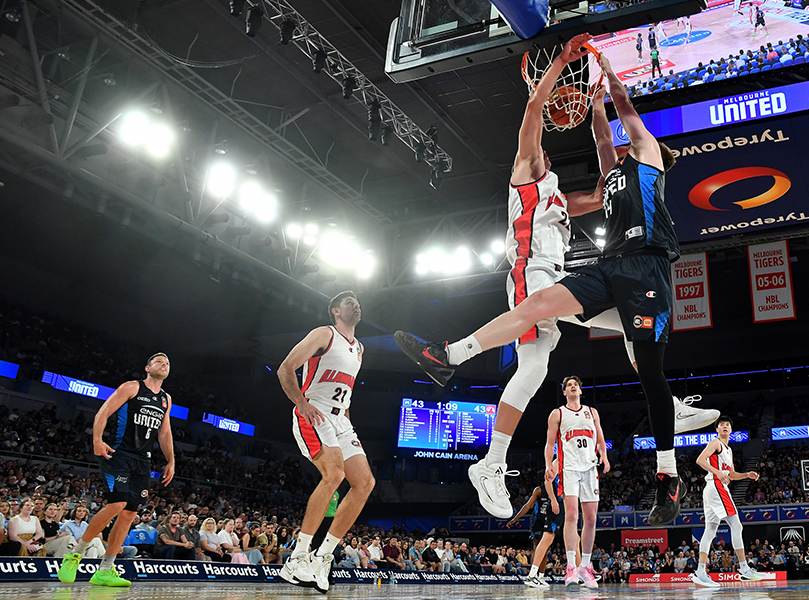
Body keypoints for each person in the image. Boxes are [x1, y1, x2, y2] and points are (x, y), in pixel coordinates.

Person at [395, 50, 689, 527]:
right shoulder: (534, 169)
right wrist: (589, 98)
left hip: (636, 269)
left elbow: (618, 136)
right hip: (560, 269)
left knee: (631, 349)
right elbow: (579, 135)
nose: (612, 152)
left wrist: (608, 88)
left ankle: (666, 434)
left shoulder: (640, 163)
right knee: (535, 348)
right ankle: (452, 366)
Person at [276, 291, 376, 594]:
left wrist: (346, 419)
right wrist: (301, 403)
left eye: (358, 301)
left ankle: (323, 556)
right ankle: (297, 557)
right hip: (314, 412)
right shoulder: (324, 334)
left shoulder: (359, 348)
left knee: (365, 483)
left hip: (341, 420)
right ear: (335, 311)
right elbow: (285, 368)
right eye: (349, 302)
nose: (356, 304)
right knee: (334, 475)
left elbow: (345, 391)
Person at [59, 353, 176, 588]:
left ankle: (105, 569)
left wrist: (171, 460)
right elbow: (103, 412)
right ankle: (76, 553)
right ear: (147, 367)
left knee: (129, 514)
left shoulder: (166, 399)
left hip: (143, 461)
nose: (164, 364)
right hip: (120, 454)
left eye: (167, 363)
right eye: (159, 361)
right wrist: (97, 439)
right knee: (117, 503)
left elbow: (164, 432)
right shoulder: (131, 387)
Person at [543, 375, 607, 588]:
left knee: (590, 519)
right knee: (572, 515)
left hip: (589, 467)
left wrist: (604, 456)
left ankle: (585, 567)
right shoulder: (557, 413)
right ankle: (571, 566)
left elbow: (600, 438)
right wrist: (548, 464)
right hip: (569, 468)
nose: (572, 387)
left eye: (575, 385)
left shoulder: (592, 412)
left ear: (580, 390)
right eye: (568, 385)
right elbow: (550, 443)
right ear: (564, 392)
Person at [692, 416, 767, 585]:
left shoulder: (728, 450)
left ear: (731, 430)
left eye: (727, 425)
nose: (724, 426)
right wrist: (717, 472)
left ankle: (701, 571)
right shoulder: (715, 443)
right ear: (717, 430)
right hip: (716, 485)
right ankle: (744, 567)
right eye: (721, 425)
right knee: (736, 524)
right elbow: (700, 460)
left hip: (713, 488)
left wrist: (747, 475)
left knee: (710, 530)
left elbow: (731, 475)